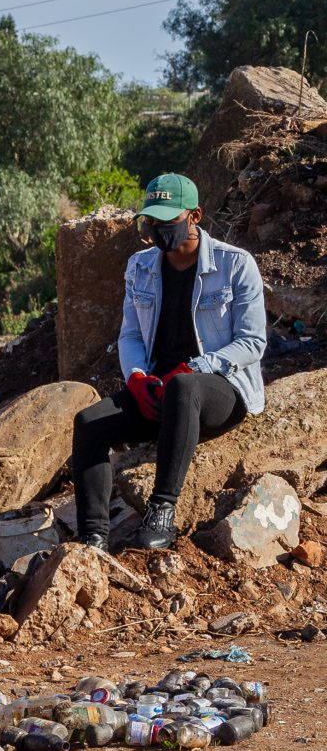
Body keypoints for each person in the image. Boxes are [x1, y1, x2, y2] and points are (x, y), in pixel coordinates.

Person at [69, 174, 267, 552]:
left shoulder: (235, 264)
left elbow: (253, 342)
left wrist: (199, 367)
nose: (157, 230)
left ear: (194, 216)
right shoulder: (140, 266)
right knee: (89, 423)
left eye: (166, 222)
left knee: (183, 386)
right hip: (161, 390)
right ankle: (92, 536)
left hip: (218, 389)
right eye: (151, 222)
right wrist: (138, 377)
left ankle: (162, 510)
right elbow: (129, 335)